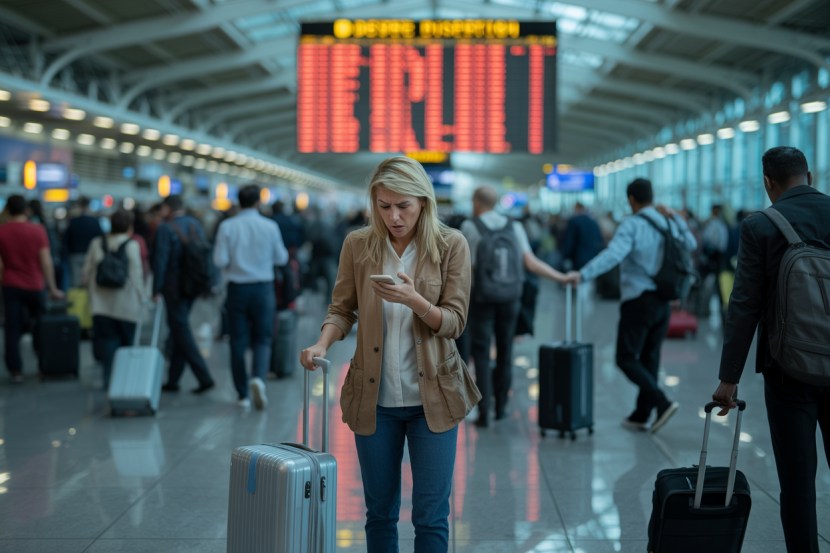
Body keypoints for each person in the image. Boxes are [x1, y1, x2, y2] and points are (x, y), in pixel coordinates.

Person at [299, 156, 479, 553]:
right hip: (375, 397)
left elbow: (454, 323)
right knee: (379, 511)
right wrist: (322, 343)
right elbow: (342, 308)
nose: (394, 217)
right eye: (384, 206)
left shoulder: (451, 245)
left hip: (433, 397)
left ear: (424, 203)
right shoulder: (359, 245)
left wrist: (415, 300)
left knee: (431, 515)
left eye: (404, 206)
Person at [711, 146, 830, 553]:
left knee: (798, 481)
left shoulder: (761, 225)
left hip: (789, 368)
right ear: (810, 176)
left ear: (768, 183)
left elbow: (744, 304)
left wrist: (729, 378)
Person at [565, 178, 696, 433]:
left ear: (632, 199)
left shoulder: (632, 224)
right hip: (664, 299)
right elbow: (691, 244)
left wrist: (583, 274)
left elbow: (613, 255)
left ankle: (661, 401)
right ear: (651, 196)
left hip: (638, 300)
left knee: (625, 358)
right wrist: (676, 217)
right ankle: (641, 414)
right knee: (650, 358)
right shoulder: (668, 221)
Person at [460, 185, 569, 427]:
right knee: (506, 351)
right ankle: (502, 408)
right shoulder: (515, 226)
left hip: (482, 298)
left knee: (480, 353)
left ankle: (484, 411)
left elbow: (464, 268)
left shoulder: (470, 226)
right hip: (511, 297)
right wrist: (560, 277)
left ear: (476, 203)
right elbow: (530, 262)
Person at [213, 184, 288, 410]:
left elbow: (219, 260)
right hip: (263, 289)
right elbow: (281, 258)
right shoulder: (270, 226)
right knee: (263, 338)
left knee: (237, 340)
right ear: (258, 202)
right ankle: (259, 379)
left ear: (238, 202)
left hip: (237, 289)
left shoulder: (227, 226)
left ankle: (242, 395)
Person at [152, 194, 215, 394]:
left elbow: (160, 261)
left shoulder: (165, 228)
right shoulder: (195, 224)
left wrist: (155, 289)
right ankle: (173, 380)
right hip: (193, 285)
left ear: (168, 208)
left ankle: (204, 377)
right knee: (178, 329)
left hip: (174, 288)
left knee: (181, 329)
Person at [0, 194, 64, 382]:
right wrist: (52, 288)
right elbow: (46, 262)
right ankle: (43, 365)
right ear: (26, 210)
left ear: (8, 210)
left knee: (12, 328)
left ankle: (15, 371)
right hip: (35, 285)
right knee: (41, 326)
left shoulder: (2, 231)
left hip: (10, 285)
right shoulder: (37, 231)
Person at [82, 209, 145, 389]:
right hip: (126, 304)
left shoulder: (96, 243)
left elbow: (86, 272)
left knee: (108, 343)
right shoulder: (132, 245)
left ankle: (109, 380)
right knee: (127, 345)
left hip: (101, 304)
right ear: (129, 226)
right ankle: (126, 381)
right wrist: (143, 298)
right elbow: (136, 275)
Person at [63, 196, 103, 287]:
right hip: (91, 254)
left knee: (76, 280)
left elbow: (66, 240)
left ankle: (77, 299)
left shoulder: (73, 221)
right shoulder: (95, 222)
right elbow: (100, 238)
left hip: (75, 254)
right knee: (90, 280)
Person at [560, 201, 605, 271]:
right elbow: (599, 240)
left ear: (577, 208)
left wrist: (566, 257)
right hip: (594, 258)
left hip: (578, 259)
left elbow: (569, 242)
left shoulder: (574, 221)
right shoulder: (593, 222)